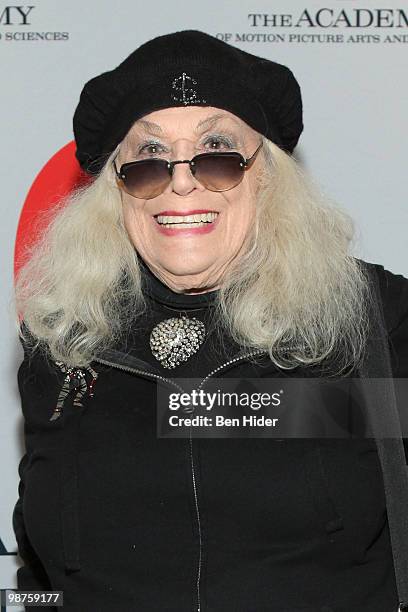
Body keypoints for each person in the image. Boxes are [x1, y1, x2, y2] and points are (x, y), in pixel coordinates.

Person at [12, 29, 408, 612]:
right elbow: (40, 572)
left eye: (217, 151)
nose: (179, 181)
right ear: (116, 190)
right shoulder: (64, 340)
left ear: (267, 174)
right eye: (146, 160)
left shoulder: (375, 320)